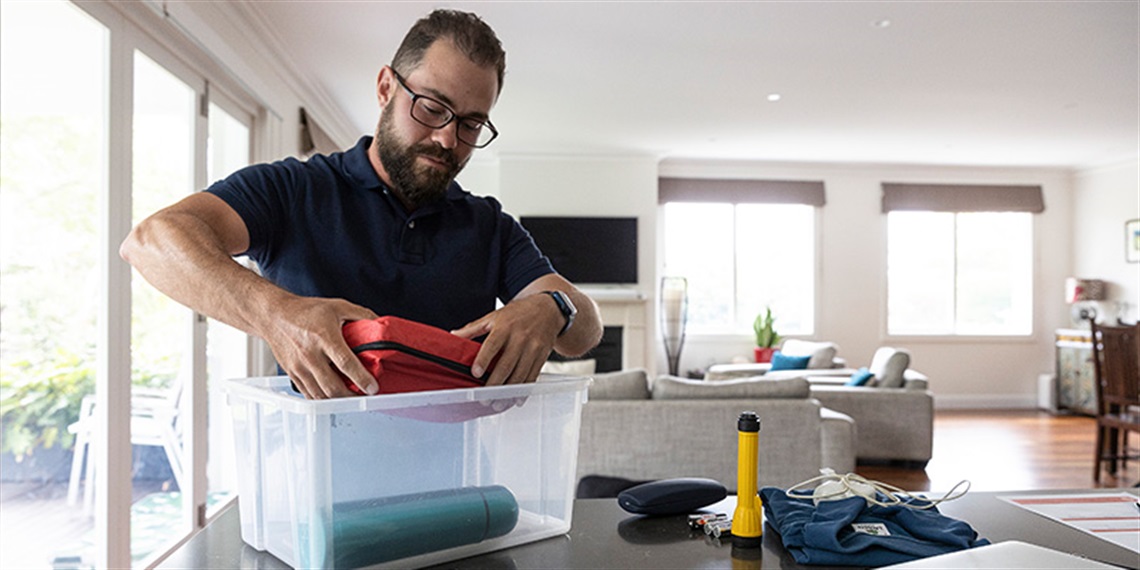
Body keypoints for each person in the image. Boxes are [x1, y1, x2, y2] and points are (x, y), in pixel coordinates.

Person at [120, 9, 602, 399]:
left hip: (456, 488)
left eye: (471, 124)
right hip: (316, 484)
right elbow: (151, 241)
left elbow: (587, 328)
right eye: (432, 108)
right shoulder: (295, 188)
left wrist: (551, 306)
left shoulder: (489, 226)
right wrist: (276, 313)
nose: (447, 138)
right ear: (386, 88)